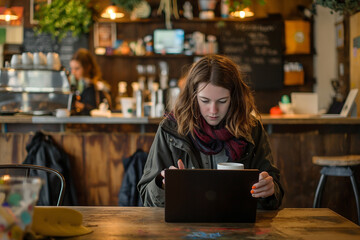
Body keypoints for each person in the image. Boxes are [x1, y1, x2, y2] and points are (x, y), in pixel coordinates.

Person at [137, 55, 284, 209]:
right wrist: (162, 185)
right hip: (184, 227)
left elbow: (275, 193)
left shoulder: (251, 128)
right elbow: (146, 196)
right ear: (192, 97)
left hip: (239, 226)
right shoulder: (171, 129)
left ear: (234, 98)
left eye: (222, 101)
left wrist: (269, 190)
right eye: (205, 101)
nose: (213, 111)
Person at [70, 48, 112, 115]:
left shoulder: (98, 86)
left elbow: (101, 109)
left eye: (77, 68)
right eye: (72, 68)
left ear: (87, 67)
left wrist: (82, 106)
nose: (73, 72)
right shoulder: (75, 85)